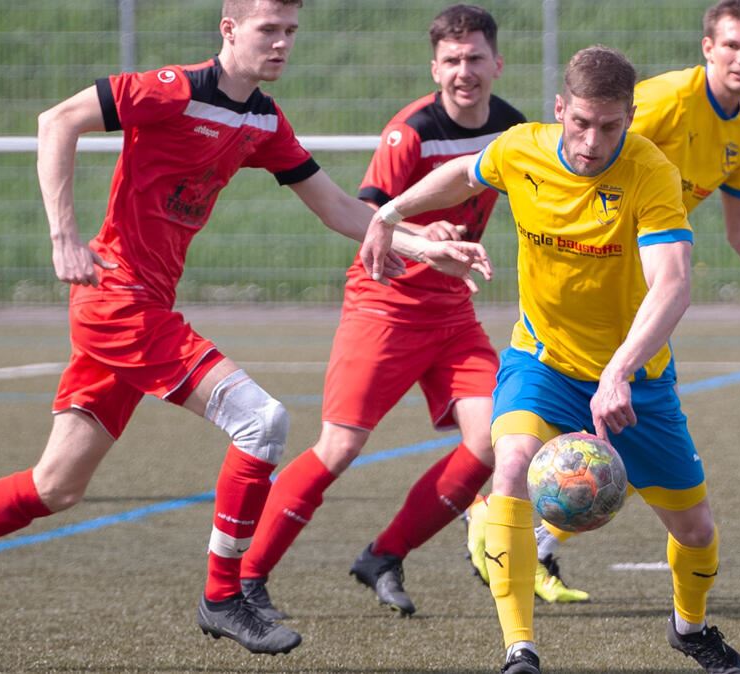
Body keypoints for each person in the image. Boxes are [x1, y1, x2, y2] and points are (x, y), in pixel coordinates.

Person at [0, 0, 491, 658]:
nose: (281, 43)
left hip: (141, 302)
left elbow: (338, 209)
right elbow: (57, 120)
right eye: (268, 29)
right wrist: (63, 235)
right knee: (261, 421)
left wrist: (422, 246)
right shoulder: (174, 90)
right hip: (117, 301)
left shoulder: (263, 119)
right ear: (229, 29)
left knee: (56, 484)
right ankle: (223, 597)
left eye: (290, 31)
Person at [361, 44, 740, 674]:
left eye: (610, 126)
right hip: (541, 362)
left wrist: (619, 370)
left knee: (696, 532)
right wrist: (391, 211)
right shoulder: (523, 149)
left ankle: (690, 629)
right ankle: (520, 649)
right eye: (581, 123)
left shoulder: (649, 171)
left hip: (635, 380)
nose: (593, 141)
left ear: (630, 118)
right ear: (559, 109)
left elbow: (673, 282)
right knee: (512, 466)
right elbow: (466, 172)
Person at [466, 0, 740, 590]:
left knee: (623, 440)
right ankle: (503, 519)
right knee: (561, 428)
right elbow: (584, 154)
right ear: (708, 48)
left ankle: (534, 533)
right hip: (592, 280)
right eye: (732, 45)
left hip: (642, 288)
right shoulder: (665, 102)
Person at [234, 5, 585, 622]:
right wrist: (426, 232)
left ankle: (384, 556)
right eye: (451, 60)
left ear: (497, 64)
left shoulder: (511, 130)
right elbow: (370, 220)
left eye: (475, 58)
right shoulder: (410, 133)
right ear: (434, 68)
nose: (464, 71)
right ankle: (246, 578)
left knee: (492, 441)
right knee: (340, 446)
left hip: (452, 313)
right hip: (386, 305)